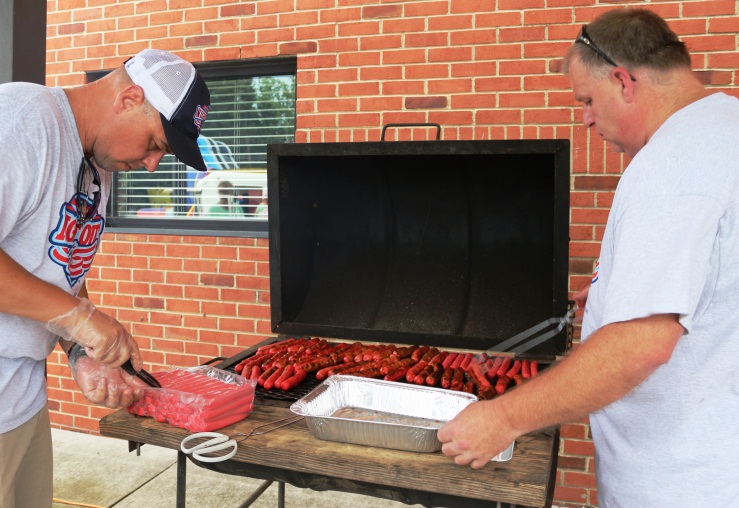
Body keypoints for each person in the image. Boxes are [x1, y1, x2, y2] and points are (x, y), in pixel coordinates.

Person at [438, 8, 739, 506]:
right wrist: (614, 292)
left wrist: (503, 419)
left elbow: (639, 345)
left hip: (681, 481)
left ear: (623, 81)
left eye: (587, 100)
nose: (586, 118)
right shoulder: (723, 128)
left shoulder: (671, 169)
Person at [0, 49, 210, 508]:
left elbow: (57, 269)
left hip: (21, 398)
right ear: (129, 98)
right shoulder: (19, 123)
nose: (153, 164)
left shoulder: (98, 163)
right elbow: (68, 304)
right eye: (156, 144)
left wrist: (81, 350)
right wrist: (79, 318)